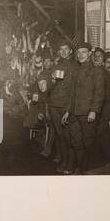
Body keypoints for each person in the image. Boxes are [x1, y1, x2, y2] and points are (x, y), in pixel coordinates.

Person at [62, 42, 105, 174]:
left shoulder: (97, 70)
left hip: (88, 113)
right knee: (76, 143)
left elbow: (100, 92)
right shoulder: (76, 70)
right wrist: (68, 111)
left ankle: (88, 171)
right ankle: (81, 169)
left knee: (88, 143)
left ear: (90, 54)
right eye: (78, 52)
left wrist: (94, 111)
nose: (80, 55)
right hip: (75, 113)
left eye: (84, 52)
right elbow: (72, 94)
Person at [47, 41, 77, 174]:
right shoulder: (56, 66)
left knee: (68, 136)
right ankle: (64, 161)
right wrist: (52, 80)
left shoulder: (76, 66)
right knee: (60, 135)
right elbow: (49, 88)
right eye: (61, 49)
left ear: (71, 51)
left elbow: (74, 91)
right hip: (54, 105)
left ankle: (70, 164)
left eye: (66, 49)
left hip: (67, 106)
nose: (64, 52)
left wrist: (68, 109)